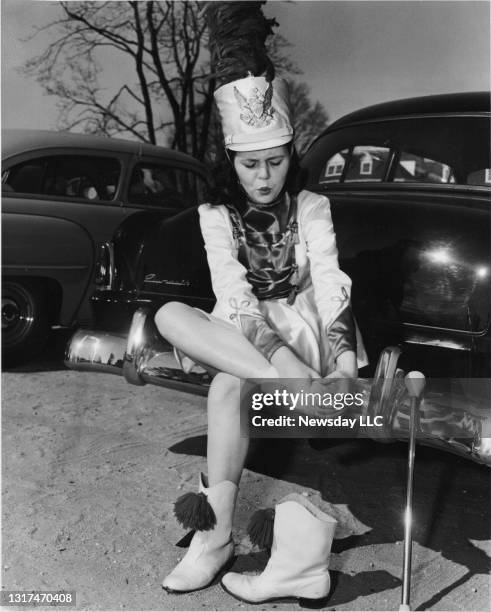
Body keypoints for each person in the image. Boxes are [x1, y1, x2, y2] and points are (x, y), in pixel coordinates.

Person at [154, 70, 368, 605]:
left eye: (276, 161)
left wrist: (343, 366)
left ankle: (213, 540)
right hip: (247, 328)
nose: (265, 176)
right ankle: (292, 387)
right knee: (168, 315)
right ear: (231, 161)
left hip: (306, 326)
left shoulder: (313, 206)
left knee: (227, 387)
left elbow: (331, 282)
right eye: (250, 164)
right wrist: (287, 371)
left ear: (291, 155)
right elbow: (234, 294)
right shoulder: (214, 214)